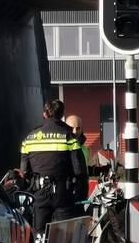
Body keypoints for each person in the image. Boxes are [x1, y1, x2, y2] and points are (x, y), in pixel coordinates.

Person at [20, 99, 86, 235]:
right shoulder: (69, 137)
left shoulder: (29, 138)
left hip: (39, 193)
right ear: (62, 115)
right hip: (63, 194)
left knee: (40, 236)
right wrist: (79, 196)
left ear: (44, 114)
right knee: (65, 237)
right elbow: (79, 171)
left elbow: (24, 171)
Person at [64, 114, 91, 215]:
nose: (75, 131)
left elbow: (85, 167)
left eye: (78, 128)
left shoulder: (83, 147)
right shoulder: (65, 146)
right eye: (72, 128)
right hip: (71, 190)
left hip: (82, 189)